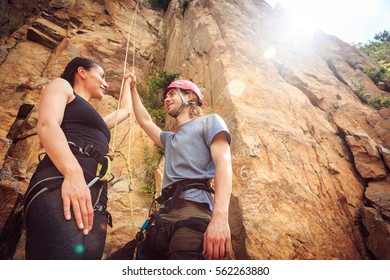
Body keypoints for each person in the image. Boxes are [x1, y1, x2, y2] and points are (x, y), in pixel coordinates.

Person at [23, 57, 132, 259]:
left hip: (93, 196)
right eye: (102, 76)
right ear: (82, 72)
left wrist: (128, 85)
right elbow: (47, 125)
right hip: (61, 182)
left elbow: (125, 111)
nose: (106, 83)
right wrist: (72, 174)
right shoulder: (62, 86)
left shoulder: (96, 121)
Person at [128, 74, 232, 260]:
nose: (167, 99)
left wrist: (220, 218)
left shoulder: (210, 122)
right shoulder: (170, 139)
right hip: (164, 216)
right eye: (166, 96)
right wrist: (133, 89)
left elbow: (224, 163)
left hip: (194, 210)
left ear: (189, 96)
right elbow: (145, 122)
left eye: (172, 94)